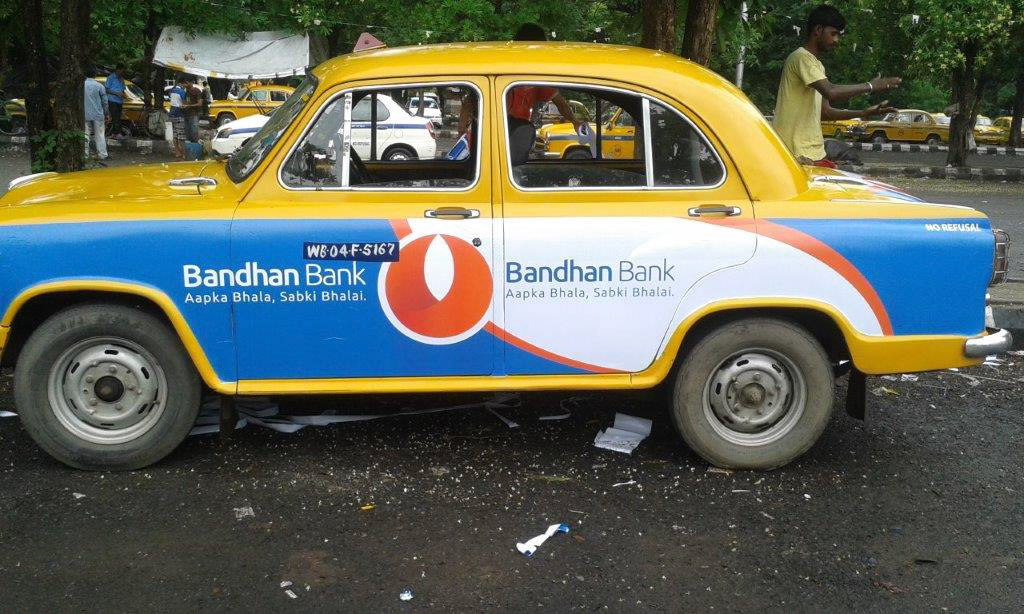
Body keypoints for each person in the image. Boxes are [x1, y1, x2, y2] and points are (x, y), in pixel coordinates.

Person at [773, 4, 901, 166]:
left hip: (811, 152)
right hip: (796, 154)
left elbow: (825, 112)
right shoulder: (801, 58)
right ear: (818, 30)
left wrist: (863, 113)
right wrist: (871, 86)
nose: (836, 40)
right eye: (833, 34)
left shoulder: (817, 66)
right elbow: (831, 91)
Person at [507, 23, 583, 165]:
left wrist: (575, 122)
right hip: (505, 135)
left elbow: (560, 103)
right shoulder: (506, 68)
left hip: (518, 136)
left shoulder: (534, 75)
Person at [83, 68, 109, 162]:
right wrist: (106, 113)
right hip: (98, 114)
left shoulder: (82, 85)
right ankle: (102, 155)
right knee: (100, 134)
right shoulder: (99, 86)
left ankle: (84, 155)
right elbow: (105, 102)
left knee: (85, 135)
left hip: (85, 114)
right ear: (95, 75)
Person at [167, 75, 187, 160]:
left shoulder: (172, 90)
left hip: (172, 114)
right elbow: (184, 104)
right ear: (182, 83)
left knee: (175, 134)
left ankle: (177, 152)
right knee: (181, 136)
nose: (186, 85)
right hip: (179, 115)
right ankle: (184, 154)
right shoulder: (182, 92)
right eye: (185, 84)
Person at [105, 64, 126, 138]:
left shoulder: (122, 79)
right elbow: (106, 90)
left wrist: (123, 94)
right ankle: (118, 133)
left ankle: (114, 133)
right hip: (112, 100)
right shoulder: (111, 78)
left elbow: (123, 89)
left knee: (118, 117)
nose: (123, 73)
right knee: (115, 117)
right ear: (118, 70)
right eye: (122, 71)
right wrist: (116, 93)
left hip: (120, 101)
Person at [184, 76, 203, 143]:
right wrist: (184, 105)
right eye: (185, 83)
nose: (185, 84)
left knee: (194, 131)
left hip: (194, 114)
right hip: (187, 114)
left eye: (186, 83)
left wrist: (189, 106)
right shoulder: (187, 92)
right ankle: (190, 146)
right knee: (188, 132)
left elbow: (200, 104)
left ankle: (196, 144)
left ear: (191, 82)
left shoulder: (197, 91)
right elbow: (186, 102)